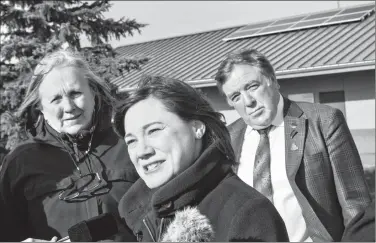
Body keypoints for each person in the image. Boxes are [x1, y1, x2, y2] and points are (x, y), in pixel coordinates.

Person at [214, 49, 372, 242]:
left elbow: (356, 207)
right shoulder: (228, 139)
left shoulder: (323, 121)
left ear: (273, 80)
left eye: (252, 86)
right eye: (236, 97)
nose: (248, 102)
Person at [111, 75, 289, 242]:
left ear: (197, 128)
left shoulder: (249, 213)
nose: (142, 151)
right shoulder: (137, 217)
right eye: (131, 141)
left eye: (154, 131)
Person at [0, 50, 139, 241]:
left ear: (94, 93)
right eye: (56, 99)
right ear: (40, 107)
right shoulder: (20, 161)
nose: (68, 107)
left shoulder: (130, 142)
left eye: (75, 93)